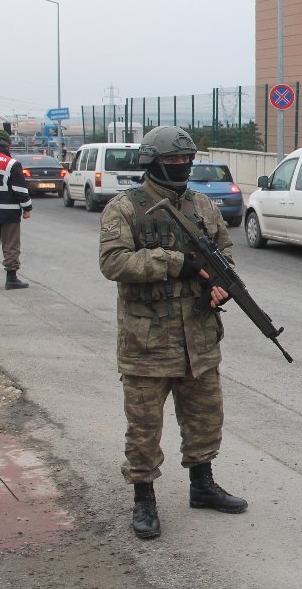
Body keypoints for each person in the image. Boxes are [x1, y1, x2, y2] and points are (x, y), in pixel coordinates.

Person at [98, 126, 247, 540]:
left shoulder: (202, 205)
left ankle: (202, 485)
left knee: (205, 419)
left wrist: (220, 288)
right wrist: (174, 262)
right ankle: (143, 498)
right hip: (147, 343)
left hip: (198, 339)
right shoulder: (125, 209)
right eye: (173, 160)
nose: (181, 167)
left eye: (186, 160)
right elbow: (114, 263)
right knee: (144, 428)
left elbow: (225, 254)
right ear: (152, 161)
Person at [0, 129, 32, 290]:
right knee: (10, 245)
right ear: (8, 145)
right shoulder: (12, 163)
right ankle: (11, 278)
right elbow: (20, 190)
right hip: (8, 213)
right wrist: (27, 208)